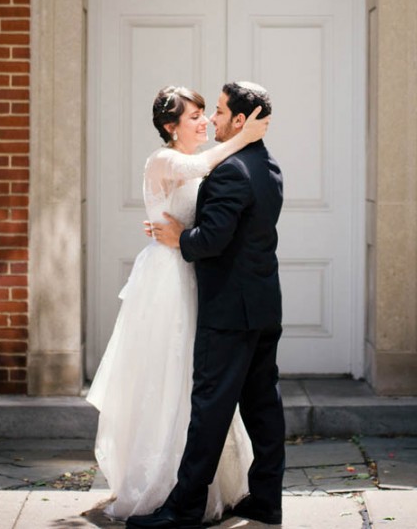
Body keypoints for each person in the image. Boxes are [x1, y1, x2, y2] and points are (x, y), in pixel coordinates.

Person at [86, 85, 269, 521]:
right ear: (171, 127)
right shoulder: (165, 158)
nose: (205, 122)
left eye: (207, 114)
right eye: (194, 117)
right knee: (168, 375)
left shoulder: (207, 166)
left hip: (193, 271)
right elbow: (197, 165)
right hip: (167, 280)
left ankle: (197, 484)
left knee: (200, 381)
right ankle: (161, 486)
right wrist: (244, 137)